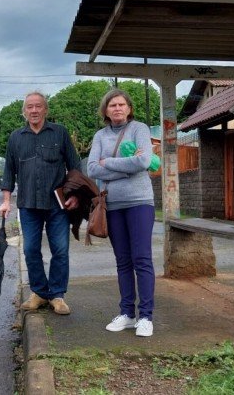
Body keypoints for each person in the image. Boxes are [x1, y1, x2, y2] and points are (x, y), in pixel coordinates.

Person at [0, 92, 80, 315]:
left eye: (38, 106)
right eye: (29, 107)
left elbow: (74, 167)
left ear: (46, 109)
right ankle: (39, 292)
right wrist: (6, 201)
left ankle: (57, 295)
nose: (34, 111)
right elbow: (9, 171)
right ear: (24, 111)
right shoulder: (16, 137)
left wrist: (75, 195)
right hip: (28, 205)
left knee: (60, 250)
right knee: (31, 249)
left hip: (57, 204)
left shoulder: (59, 133)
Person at [87, 89, 156, 337]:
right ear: (105, 110)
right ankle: (127, 313)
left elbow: (144, 162)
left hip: (139, 202)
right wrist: (127, 169)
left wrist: (109, 163)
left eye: (121, 104)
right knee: (123, 261)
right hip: (112, 205)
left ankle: (146, 316)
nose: (117, 108)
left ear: (129, 108)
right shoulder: (100, 135)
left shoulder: (140, 129)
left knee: (142, 259)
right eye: (112, 105)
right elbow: (93, 168)